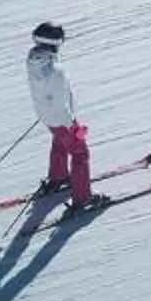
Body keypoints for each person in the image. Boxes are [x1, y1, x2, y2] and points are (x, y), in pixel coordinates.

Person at [26, 22, 97, 213]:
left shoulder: (33, 60)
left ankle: (58, 177)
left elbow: (46, 92)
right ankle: (83, 199)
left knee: (59, 142)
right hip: (60, 118)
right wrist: (73, 127)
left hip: (46, 115)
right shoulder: (56, 72)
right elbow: (60, 104)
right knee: (80, 153)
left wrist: (47, 110)